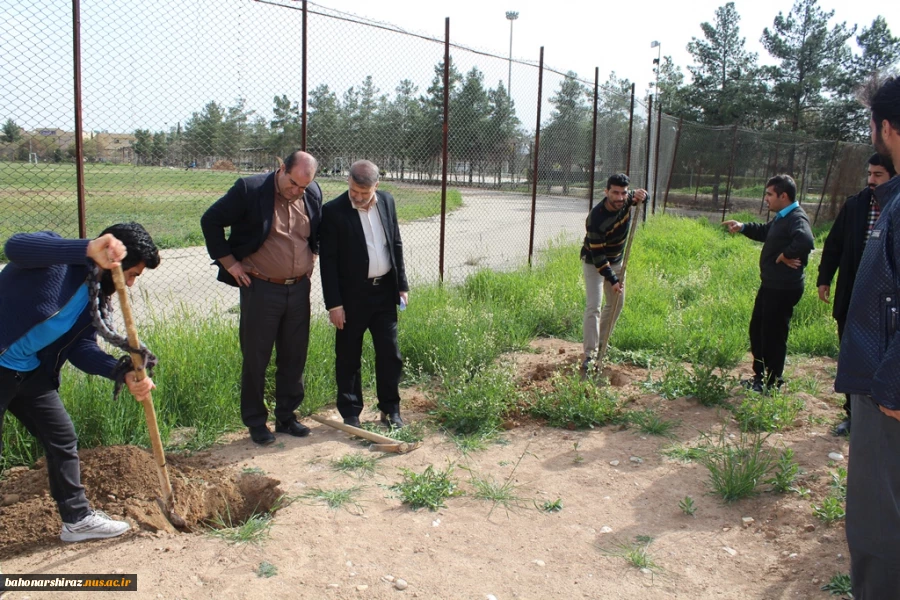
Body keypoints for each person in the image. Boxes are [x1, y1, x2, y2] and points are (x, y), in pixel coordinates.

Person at [0, 223, 159, 542]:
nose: (129, 283)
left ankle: (77, 520)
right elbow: (15, 247)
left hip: (29, 372)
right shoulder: (57, 252)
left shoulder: (94, 298)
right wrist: (86, 249)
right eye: (132, 275)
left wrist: (122, 372)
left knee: (61, 437)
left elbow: (81, 348)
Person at [200, 151, 322, 445]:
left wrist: (313, 255)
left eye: (303, 187)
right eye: (293, 184)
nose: (297, 192)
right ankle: (256, 421)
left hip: (298, 288)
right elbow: (211, 220)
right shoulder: (250, 189)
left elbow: (314, 231)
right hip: (261, 288)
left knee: (294, 354)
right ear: (282, 169)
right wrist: (230, 262)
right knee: (257, 356)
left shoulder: (312, 192)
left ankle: (287, 416)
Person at [834, 74, 900, 599]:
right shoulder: (888, 199)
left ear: (886, 129)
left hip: (889, 396)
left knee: (880, 521)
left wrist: (892, 387)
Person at [319, 160, 409, 428]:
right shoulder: (333, 212)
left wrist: (402, 285)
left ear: (376, 186)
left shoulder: (387, 201)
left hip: (384, 294)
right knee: (348, 355)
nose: (357, 197)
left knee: (390, 353)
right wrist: (334, 304)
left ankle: (390, 409)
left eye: (364, 193)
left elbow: (395, 243)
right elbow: (328, 262)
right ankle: (350, 413)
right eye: (354, 191)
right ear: (348, 181)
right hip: (351, 297)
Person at [816, 153, 896, 435]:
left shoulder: (895, 208)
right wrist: (824, 278)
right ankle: (854, 416)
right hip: (853, 296)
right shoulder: (855, 205)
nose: (871, 180)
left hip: (886, 302)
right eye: (870, 174)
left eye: (878, 175)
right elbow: (834, 244)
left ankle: (884, 414)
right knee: (852, 355)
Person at [723, 174, 814, 392]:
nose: (766, 199)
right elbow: (766, 232)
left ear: (784, 196)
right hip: (772, 285)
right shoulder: (783, 217)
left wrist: (785, 255)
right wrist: (743, 227)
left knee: (773, 335)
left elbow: (806, 240)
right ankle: (760, 377)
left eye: (769, 194)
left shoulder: (796, 218)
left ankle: (772, 383)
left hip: (783, 288)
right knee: (759, 330)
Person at [581, 173, 647, 371]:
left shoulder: (627, 200)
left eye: (623, 193)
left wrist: (644, 196)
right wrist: (612, 279)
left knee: (616, 303)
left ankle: (603, 346)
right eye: (615, 193)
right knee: (594, 307)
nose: (620, 198)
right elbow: (599, 255)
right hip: (595, 262)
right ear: (606, 192)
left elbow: (640, 196)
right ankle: (589, 355)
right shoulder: (596, 217)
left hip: (618, 261)